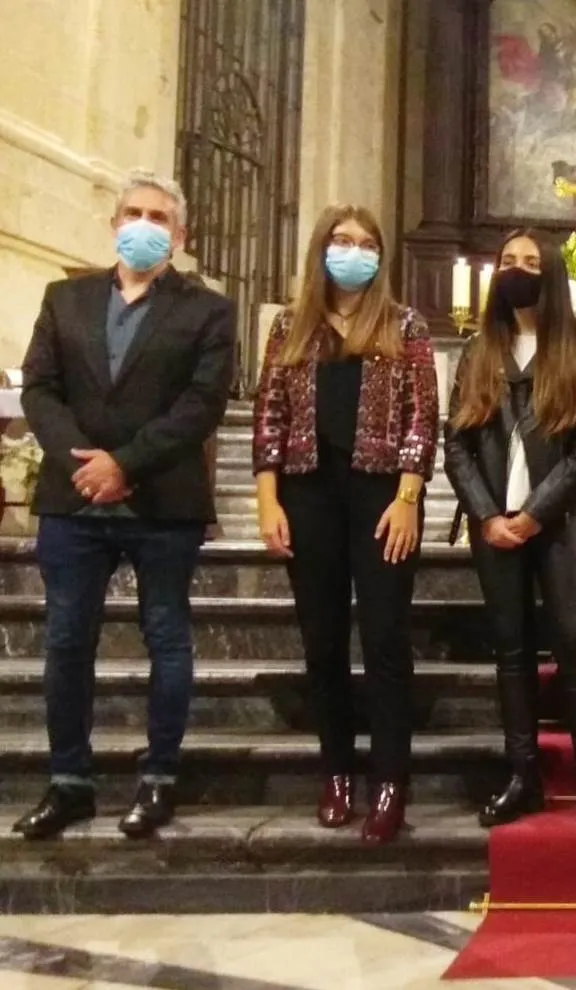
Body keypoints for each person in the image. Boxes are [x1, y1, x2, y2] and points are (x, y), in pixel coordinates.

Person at [12, 170, 234, 840]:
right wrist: (84, 463)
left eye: (158, 218)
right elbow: (40, 390)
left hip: (162, 499)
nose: (144, 225)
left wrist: (125, 464)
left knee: (166, 638)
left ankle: (159, 776)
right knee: (66, 640)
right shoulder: (65, 297)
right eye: (133, 213)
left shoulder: (207, 309)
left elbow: (202, 403)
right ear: (114, 225)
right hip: (74, 500)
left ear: (180, 234)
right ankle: (70, 781)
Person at [252, 205, 439, 845]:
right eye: (341, 240)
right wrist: (267, 498)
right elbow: (270, 414)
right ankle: (335, 771)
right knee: (322, 642)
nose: (352, 251)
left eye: (365, 243)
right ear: (321, 249)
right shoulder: (290, 327)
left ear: (380, 257)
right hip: (307, 493)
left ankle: (391, 782)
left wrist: (409, 494)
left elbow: (422, 415)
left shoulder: (404, 324)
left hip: (381, 495)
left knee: (386, 640)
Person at [444, 229, 576, 830]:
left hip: (564, 518)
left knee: (574, 641)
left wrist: (534, 512)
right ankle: (523, 776)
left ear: (551, 274)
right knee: (511, 649)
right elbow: (457, 442)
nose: (518, 270)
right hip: (493, 521)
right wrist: (488, 515)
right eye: (508, 260)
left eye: (530, 262)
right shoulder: (478, 350)